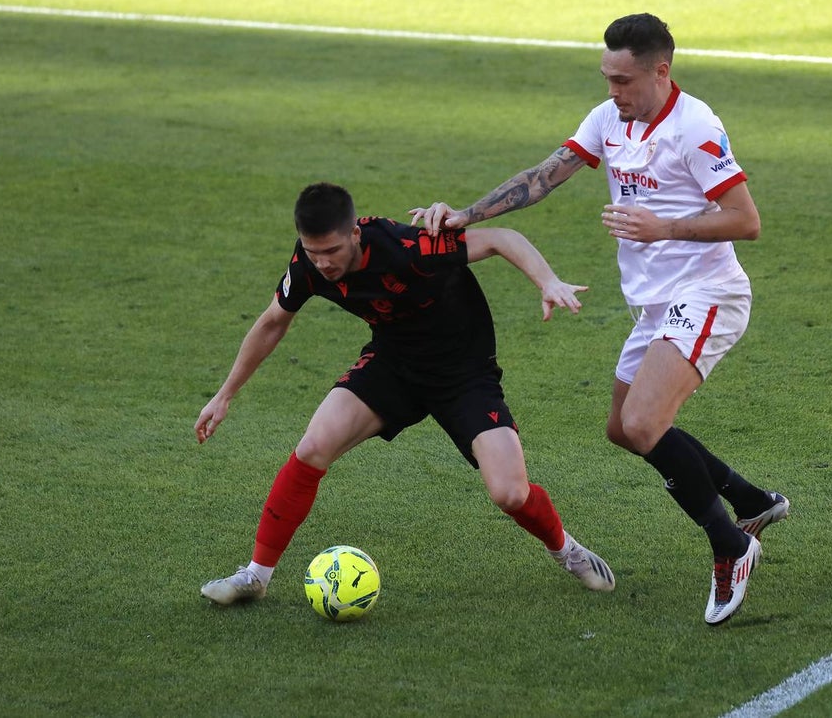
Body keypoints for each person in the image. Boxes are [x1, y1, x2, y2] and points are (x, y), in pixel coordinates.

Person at [411, 13, 788, 625]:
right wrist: (467, 215)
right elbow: (544, 177)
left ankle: (731, 545)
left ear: (661, 71)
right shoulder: (609, 118)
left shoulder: (695, 127)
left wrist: (663, 227)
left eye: (623, 80)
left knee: (644, 424)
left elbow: (747, 221)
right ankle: (751, 501)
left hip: (708, 292)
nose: (613, 91)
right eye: (607, 78)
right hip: (655, 305)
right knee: (622, 428)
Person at [197, 181, 615, 606]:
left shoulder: (407, 247)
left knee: (510, 492)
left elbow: (502, 239)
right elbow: (273, 322)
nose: (322, 263)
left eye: (332, 251)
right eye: (312, 251)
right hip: (393, 364)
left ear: (354, 234)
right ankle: (256, 575)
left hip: (463, 375)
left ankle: (566, 550)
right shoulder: (307, 264)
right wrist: (225, 394)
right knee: (313, 447)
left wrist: (547, 281)